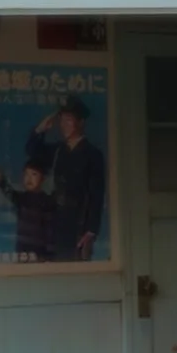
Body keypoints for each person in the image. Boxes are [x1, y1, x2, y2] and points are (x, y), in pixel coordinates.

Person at [26, 94, 105, 262]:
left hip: (78, 224)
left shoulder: (93, 155)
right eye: (61, 120)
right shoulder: (58, 151)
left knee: (76, 268)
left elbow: (96, 195)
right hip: (55, 221)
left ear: (81, 122)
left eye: (68, 120)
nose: (63, 125)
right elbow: (32, 151)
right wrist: (40, 130)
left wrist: (91, 230)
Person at [0, 159, 54, 261]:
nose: (29, 178)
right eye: (26, 174)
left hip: (39, 251)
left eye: (34, 174)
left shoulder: (47, 202)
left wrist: (49, 255)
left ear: (43, 179)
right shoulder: (22, 198)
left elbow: (49, 230)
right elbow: (9, 192)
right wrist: (0, 180)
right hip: (22, 248)